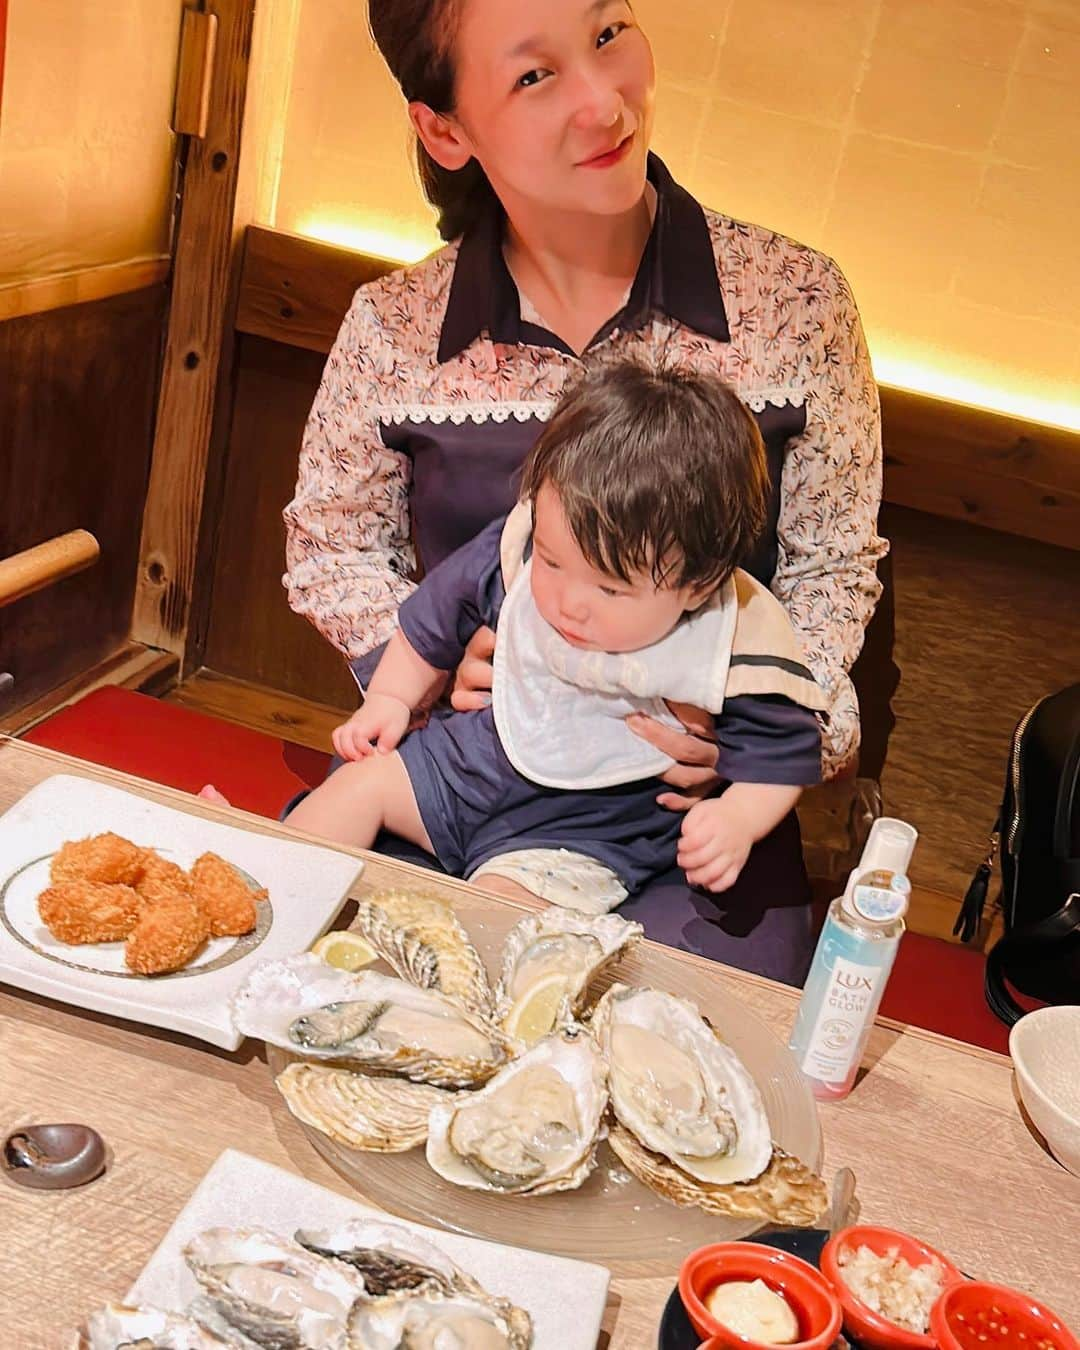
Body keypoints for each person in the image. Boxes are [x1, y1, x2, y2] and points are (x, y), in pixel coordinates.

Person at [279, 0, 887, 983]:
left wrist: (761, 742)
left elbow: (830, 562)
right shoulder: (395, 327)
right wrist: (426, 668)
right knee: (352, 982)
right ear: (445, 129)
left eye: (609, 34)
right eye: (534, 75)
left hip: (679, 823)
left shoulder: (796, 304)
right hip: (468, 763)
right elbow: (330, 543)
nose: (606, 104)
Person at [285, 362, 825, 904]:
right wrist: (390, 698)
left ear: (698, 583)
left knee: (497, 907)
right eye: (552, 562)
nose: (569, 603)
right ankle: (270, 888)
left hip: (582, 835)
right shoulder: (519, 545)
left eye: (609, 590)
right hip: (461, 768)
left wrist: (738, 816)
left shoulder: (730, 634)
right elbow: (431, 621)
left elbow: (785, 754)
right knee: (360, 785)